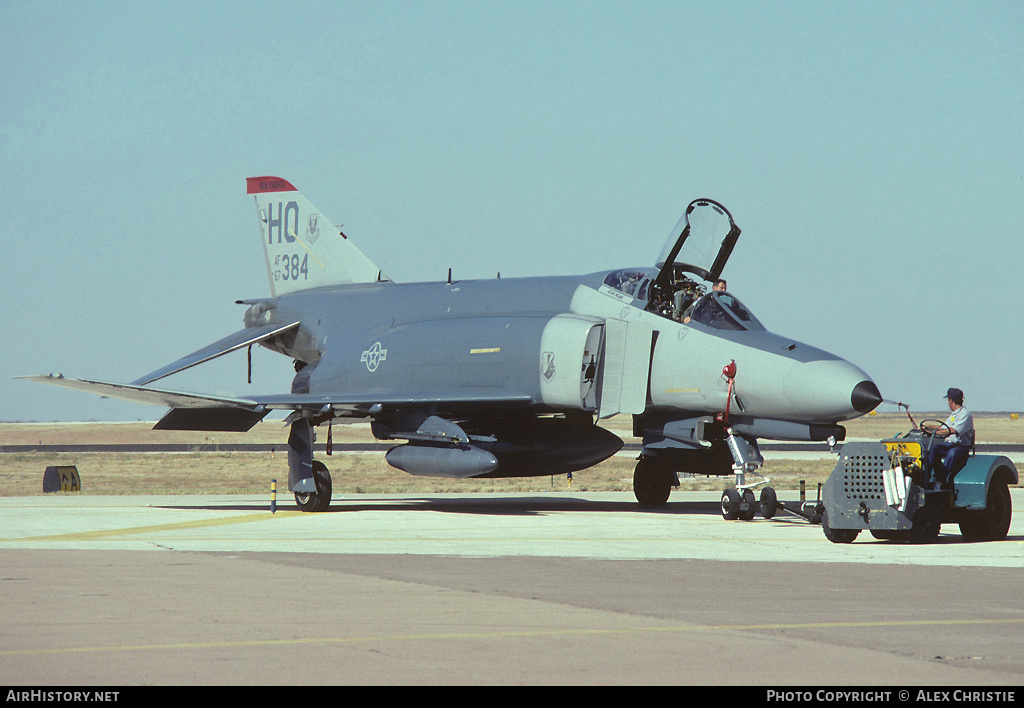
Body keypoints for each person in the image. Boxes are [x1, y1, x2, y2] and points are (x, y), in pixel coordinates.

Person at [921, 388, 974, 490]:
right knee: (934, 449)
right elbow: (943, 427)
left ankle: (940, 480)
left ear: (951, 401)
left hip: (961, 446)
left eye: (948, 400)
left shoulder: (965, 414)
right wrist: (928, 426)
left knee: (952, 453)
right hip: (949, 444)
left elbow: (952, 430)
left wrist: (933, 433)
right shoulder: (954, 415)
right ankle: (925, 479)